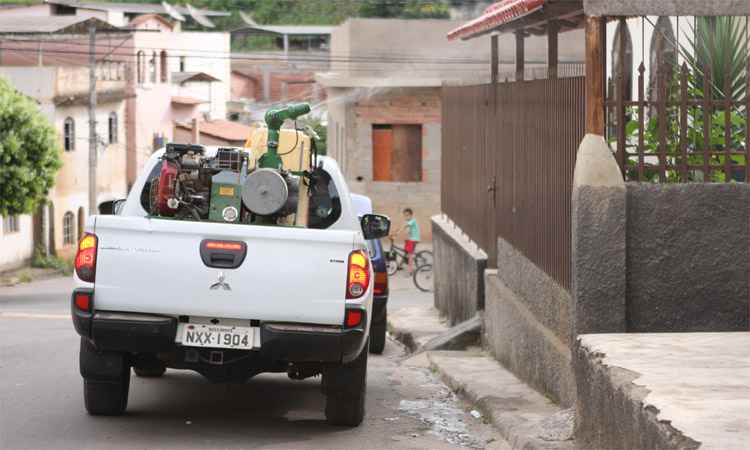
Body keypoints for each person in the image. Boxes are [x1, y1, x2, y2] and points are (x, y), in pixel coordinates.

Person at [395, 208, 420, 274]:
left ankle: (410, 270)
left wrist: (398, 233)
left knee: (410, 255)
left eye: (408, 215)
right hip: (409, 239)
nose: (406, 217)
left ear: (411, 215)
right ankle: (400, 266)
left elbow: (405, 226)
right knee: (405, 253)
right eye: (405, 215)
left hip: (413, 239)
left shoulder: (413, 221)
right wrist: (395, 232)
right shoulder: (407, 221)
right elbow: (402, 227)